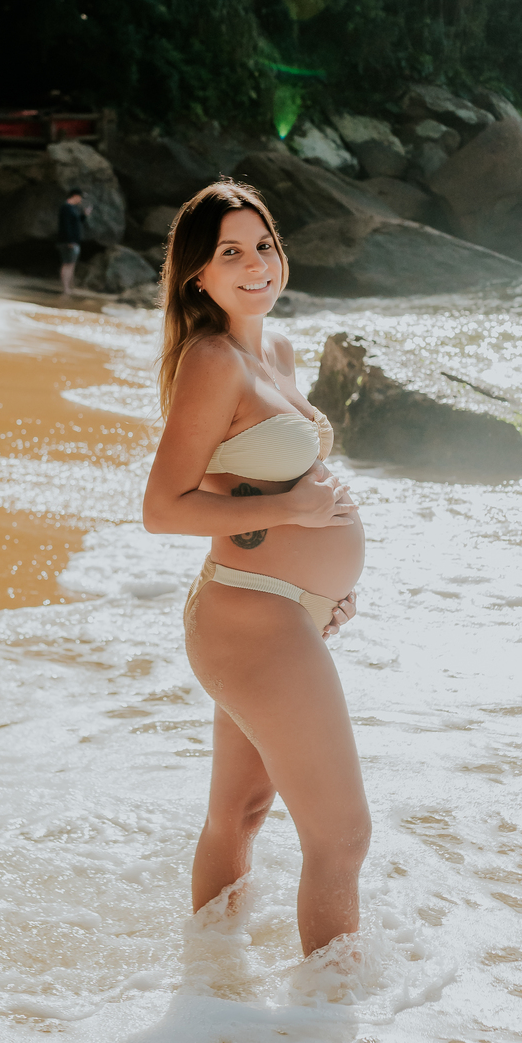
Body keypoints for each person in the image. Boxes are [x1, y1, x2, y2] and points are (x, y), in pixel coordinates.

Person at [142, 180, 370, 959]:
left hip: (286, 614)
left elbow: (263, 481)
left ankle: (208, 989)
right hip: (250, 616)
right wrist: (292, 517)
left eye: (264, 245)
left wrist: (328, 591)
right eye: (230, 252)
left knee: (239, 813)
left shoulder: (272, 348)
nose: (255, 264)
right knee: (342, 835)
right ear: (197, 274)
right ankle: (329, 1027)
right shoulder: (211, 361)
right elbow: (163, 507)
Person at [57, 188, 86, 295]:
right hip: (67, 242)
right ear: (75, 196)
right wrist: (69, 241)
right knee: (67, 264)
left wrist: (84, 216)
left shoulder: (73, 209)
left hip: (74, 241)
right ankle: (65, 288)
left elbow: (76, 223)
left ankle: (69, 286)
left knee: (71, 264)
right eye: (80, 197)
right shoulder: (66, 208)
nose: (81, 200)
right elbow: (66, 225)